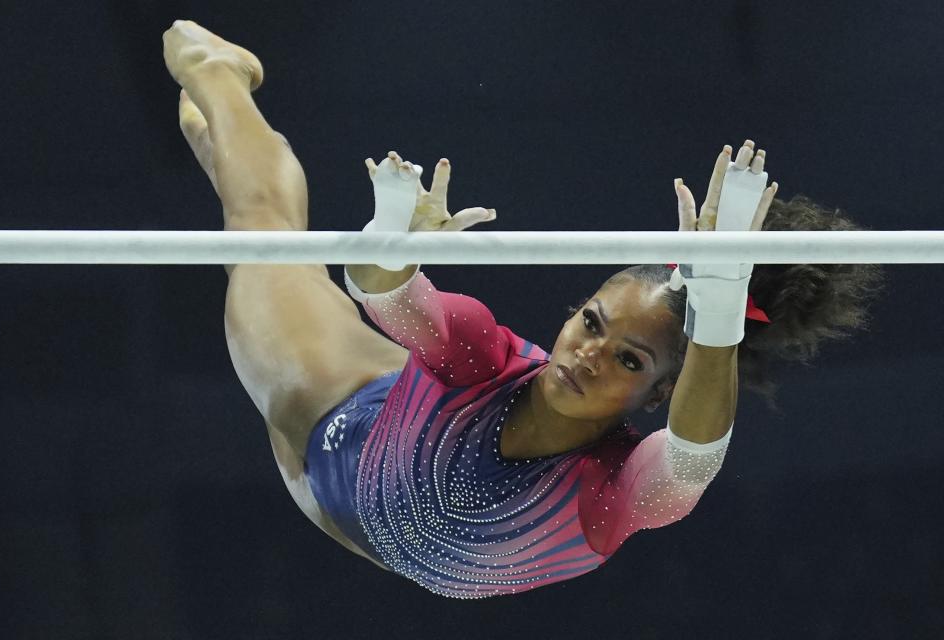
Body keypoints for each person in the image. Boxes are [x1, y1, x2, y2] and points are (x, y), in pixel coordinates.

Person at [163, 20, 886, 597]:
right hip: (327, 411)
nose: (590, 354)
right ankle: (214, 69)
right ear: (574, 311)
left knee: (254, 234)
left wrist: (721, 307)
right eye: (593, 323)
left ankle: (225, 141)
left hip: (371, 505)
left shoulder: (614, 493)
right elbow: (384, 292)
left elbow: (696, 457)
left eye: (628, 360)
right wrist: (391, 241)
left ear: (659, 393)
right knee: (260, 235)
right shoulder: (484, 357)